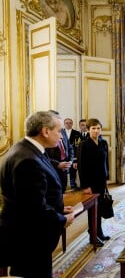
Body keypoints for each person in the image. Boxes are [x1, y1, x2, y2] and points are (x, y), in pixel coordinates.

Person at [0, 111, 74, 278]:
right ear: (45, 131)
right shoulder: (27, 159)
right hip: (29, 239)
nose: (61, 136)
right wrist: (62, 220)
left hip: (30, 235)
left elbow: (35, 196)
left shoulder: (28, 149)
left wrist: (59, 210)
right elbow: (34, 208)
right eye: (59, 131)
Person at [77, 118, 110, 247]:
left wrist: (107, 179)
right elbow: (81, 166)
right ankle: (93, 236)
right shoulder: (83, 145)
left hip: (101, 181)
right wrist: (85, 186)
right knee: (93, 210)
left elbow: (105, 162)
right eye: (93, 128)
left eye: (98, 128)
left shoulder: (103, 143)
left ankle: (99, 232)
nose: (96, 131)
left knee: (100, 208)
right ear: (88, 129)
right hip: (90, 183)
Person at [46, 111, 74, 193]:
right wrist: (57, 164)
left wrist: (71, 160)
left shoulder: (62, 131)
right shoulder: (46, 134)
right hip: (53, 167)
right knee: (54, 191)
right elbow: (43, 156)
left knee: (63, 189)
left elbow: (70, 147)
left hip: (65, 164)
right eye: (56, 119)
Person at [64, 117, 81, 189]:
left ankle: (73, 184)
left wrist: (76, 159)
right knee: (63, 171)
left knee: (73, 171)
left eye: (70, 123)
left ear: (72, 124)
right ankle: (64, 185)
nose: (68, 124)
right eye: (66, 123)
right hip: (63, 155)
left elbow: (78, 147)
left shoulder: (77, 133)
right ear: (64, 124)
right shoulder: (60, 132)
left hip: (73, 155)